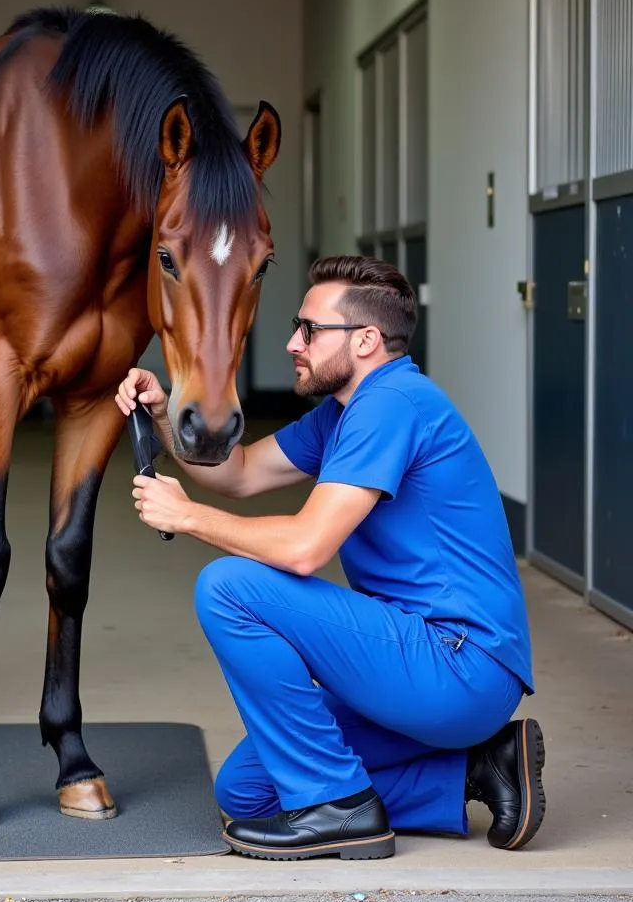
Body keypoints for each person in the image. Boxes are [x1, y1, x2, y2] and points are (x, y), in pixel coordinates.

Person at [115, 254, 544, 862]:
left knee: (229, 587)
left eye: (310, 330)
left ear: (366, 340)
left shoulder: (392, 403)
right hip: (411, 661)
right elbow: (235, 473)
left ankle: (341, 809)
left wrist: (187, 517)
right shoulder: (343, 413)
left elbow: (305, 548)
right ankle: (478, 767)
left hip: (458, 664)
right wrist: (162, 414)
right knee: (249, 792)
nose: (293, 341)